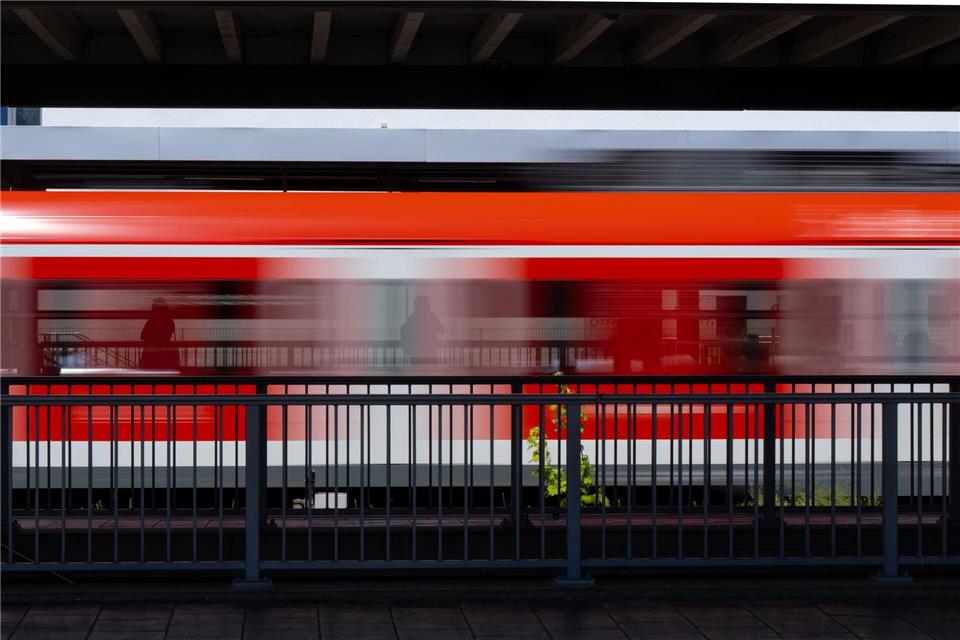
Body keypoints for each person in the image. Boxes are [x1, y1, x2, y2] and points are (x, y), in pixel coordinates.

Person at [401, 295, 444, 365]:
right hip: (430, 353)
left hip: (415, 354)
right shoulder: (431, 316)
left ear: (416, 306)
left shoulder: (412, 318)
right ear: (427, 305)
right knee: (433, 371)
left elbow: (404, 331)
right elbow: (442, 330)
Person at [139, 297, 180, 370]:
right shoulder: (170, 321)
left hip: (151, 355)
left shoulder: (151, 322)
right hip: (165, 355)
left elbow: (142, 336)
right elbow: (169, 334)